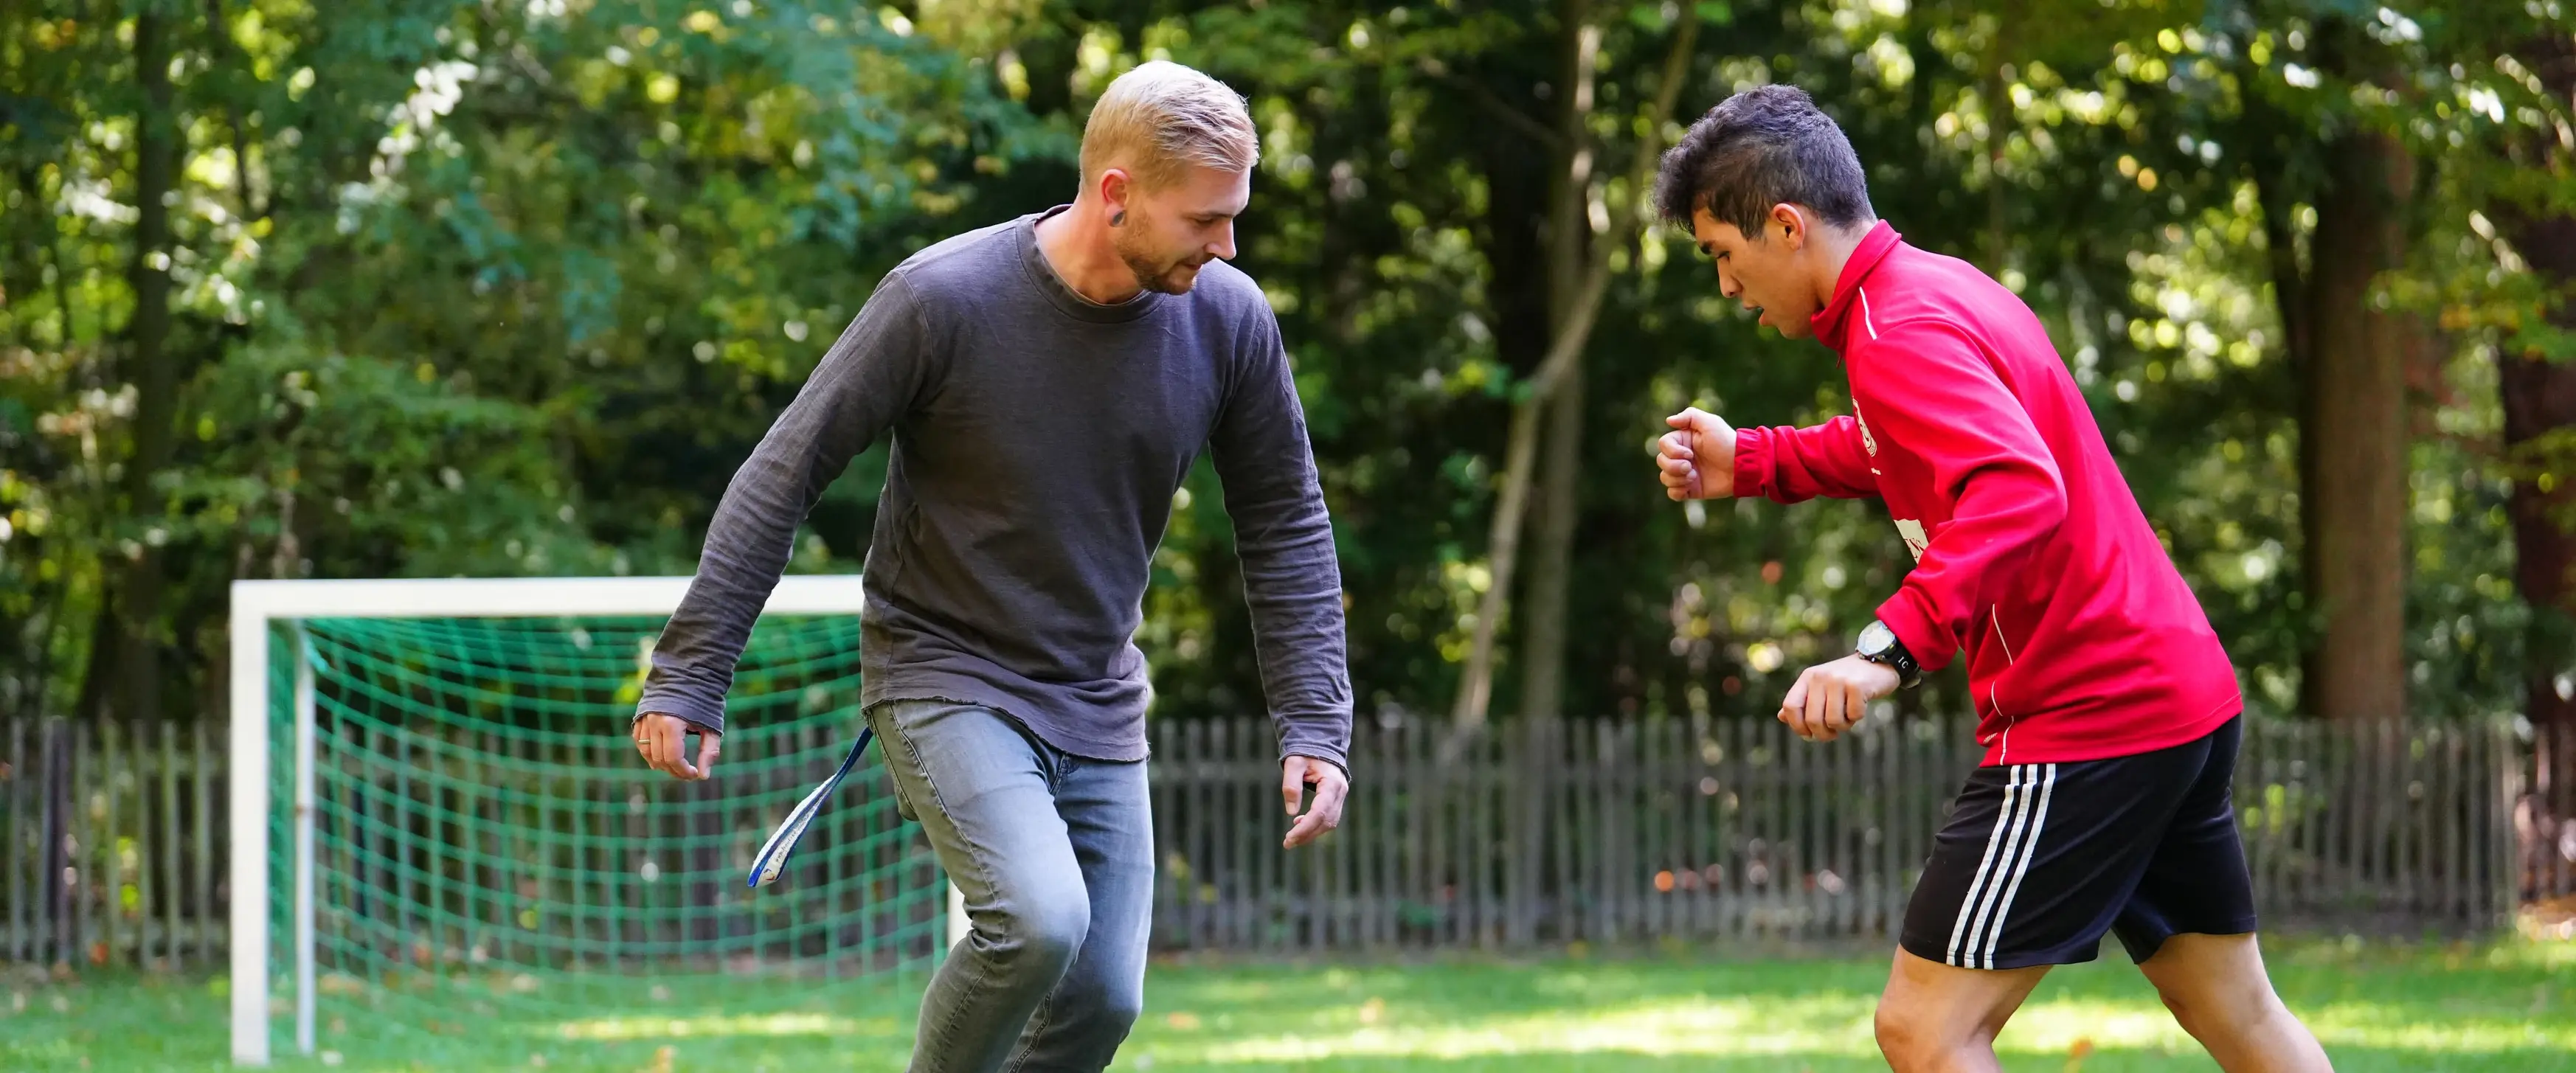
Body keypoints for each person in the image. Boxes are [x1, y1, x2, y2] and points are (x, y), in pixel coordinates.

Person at [629, 60, 1354, 1073]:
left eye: (1234, 217)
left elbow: (1284, 520)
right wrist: (691, 672)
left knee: (1102, 995)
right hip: (945, 670)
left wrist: (1316, 720)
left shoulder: (1228, 320)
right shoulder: (943, 298)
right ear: (1116, 194)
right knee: (1040, 919)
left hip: (1097, 693)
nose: (1227, 244)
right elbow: (785, 471)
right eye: (1205, 219)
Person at [1648, 85, 2331, 1073]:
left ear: (1787, 226)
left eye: (1723, 252)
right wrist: (1752, 460)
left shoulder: (1899, 330)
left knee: (1926, 1029)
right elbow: (1907, 445)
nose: (1727, 284)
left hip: (2092, 715)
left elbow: (2016, 487)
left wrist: (1887, 648)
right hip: (2176, 691)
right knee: (2239, 1011)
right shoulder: (1931, 290)